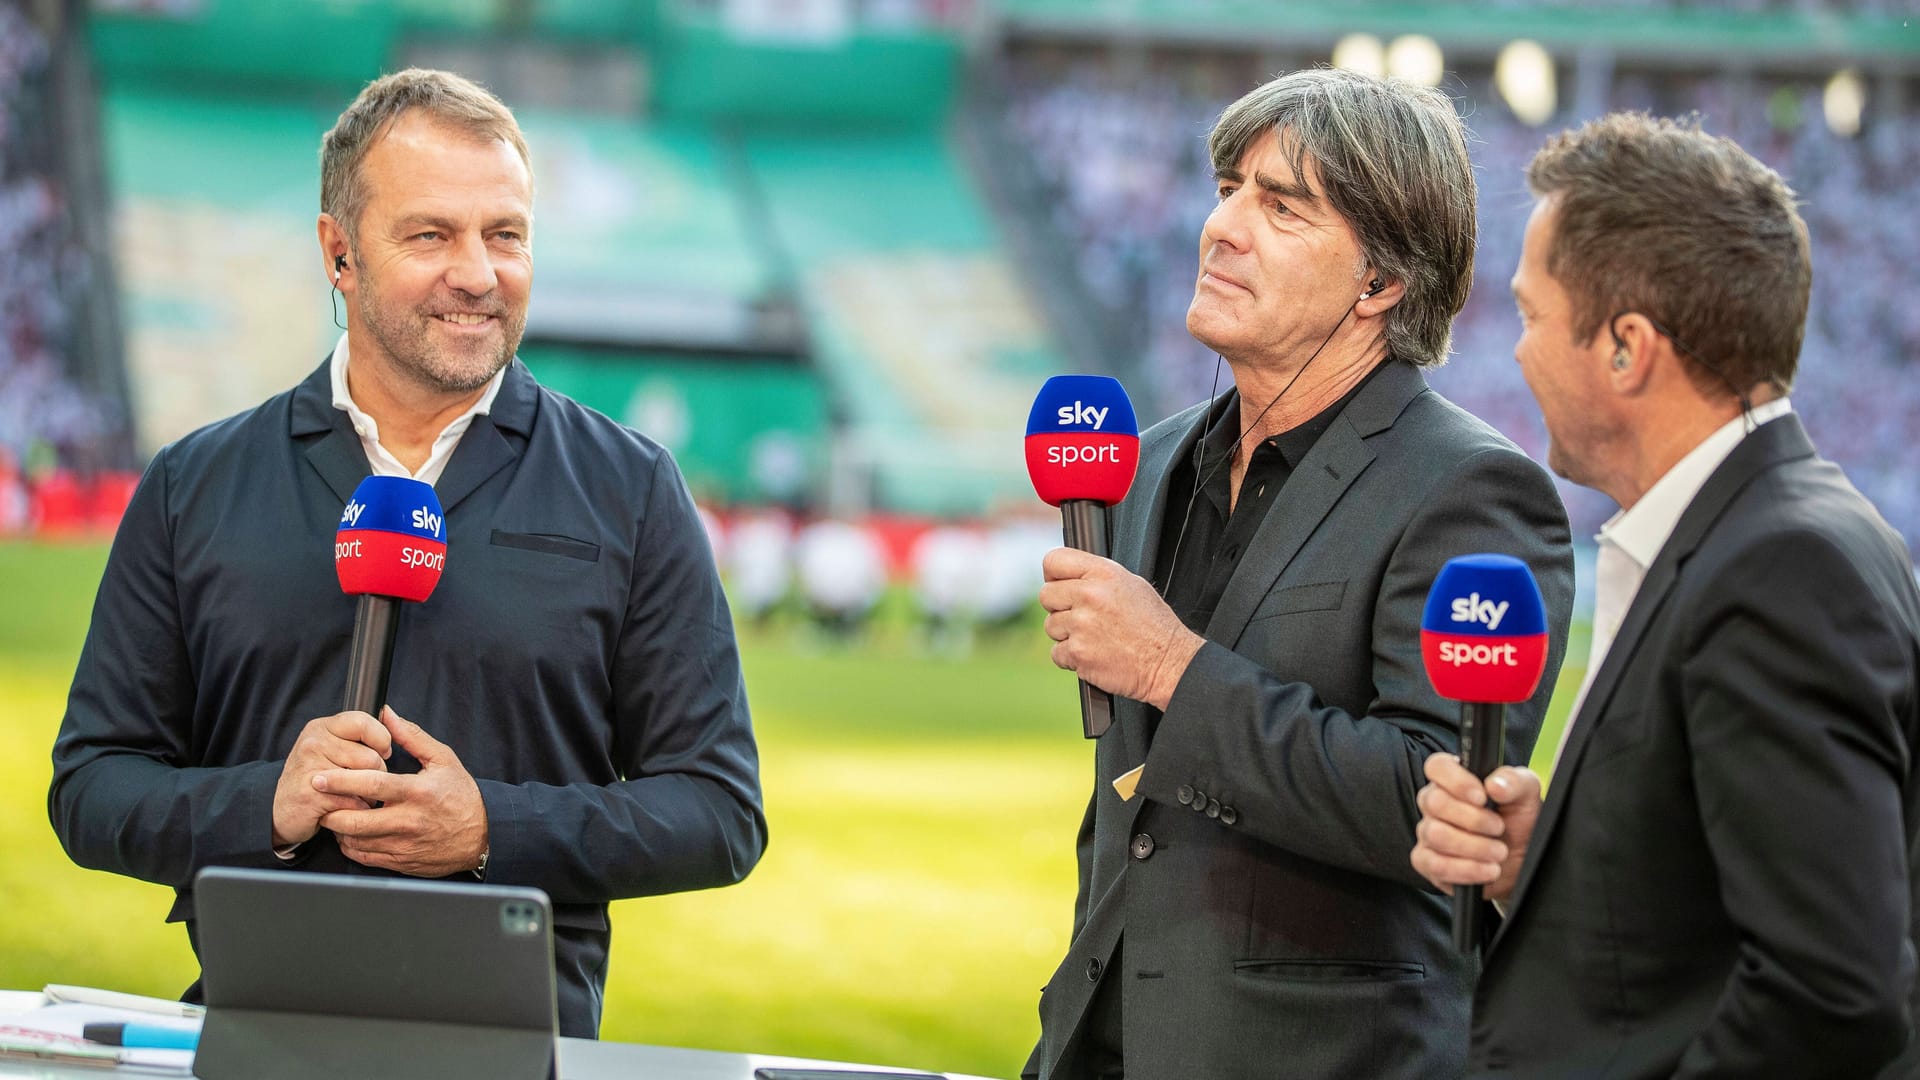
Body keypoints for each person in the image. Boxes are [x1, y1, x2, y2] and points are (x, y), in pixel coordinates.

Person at [47, 69, 767, 1039]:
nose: (478, 272)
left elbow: (720, 811)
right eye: (431, 234)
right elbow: (92, 787)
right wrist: (270, 803)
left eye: (505, 234)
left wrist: (490, 830)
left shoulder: (630, 486)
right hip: (252, 1032)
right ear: (338, 254)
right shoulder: (195, 483)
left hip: (518, 1046)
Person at [1028, 69, 1575, 1079]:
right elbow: (1131, 817)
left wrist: (1172, 670)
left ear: (1381, 283)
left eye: (1282, 207)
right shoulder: (1145, 466)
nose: (1224, 226)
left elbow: (1434, 805)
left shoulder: (1473, 491)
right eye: (1230, 187)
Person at [1410, 113, 1920, 1077]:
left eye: (1531, 315)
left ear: (1625, 347)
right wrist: (1554, 870)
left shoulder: (1780, 570)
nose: (1516, 353)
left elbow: (1831, 995)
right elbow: (1724, 914)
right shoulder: (1755, 530)